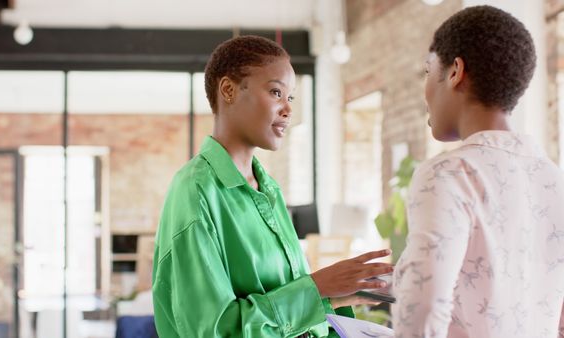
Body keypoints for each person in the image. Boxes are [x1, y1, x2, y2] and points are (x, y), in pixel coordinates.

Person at [152, 35, 393, 338]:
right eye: (276, 92)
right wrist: (316, 288)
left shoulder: (269, 190)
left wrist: (327, 299)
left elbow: (289, 310)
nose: (288, 109)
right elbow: (214, 331)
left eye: (290, 98)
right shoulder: (195, 192)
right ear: (228, 90)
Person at [393, 5, 564, 338]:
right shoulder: (554, 180)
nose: (425, 93)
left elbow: (424, 311)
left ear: (456, 71)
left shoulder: (449, 174)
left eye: (428, 71)